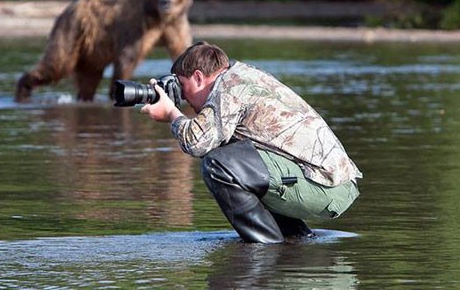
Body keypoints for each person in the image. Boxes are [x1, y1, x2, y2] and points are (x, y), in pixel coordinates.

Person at [141, 41, 362, 243]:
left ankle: (266, 248)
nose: (183, 97)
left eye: (181, 86)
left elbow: (196, 142)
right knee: (234, 158)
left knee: (218, 164)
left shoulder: (230, 87)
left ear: (198, 77)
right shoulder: (240, 76)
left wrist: (171, 113)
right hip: (329, 183)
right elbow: (210, 139)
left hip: (326, 186)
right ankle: (295, 239)